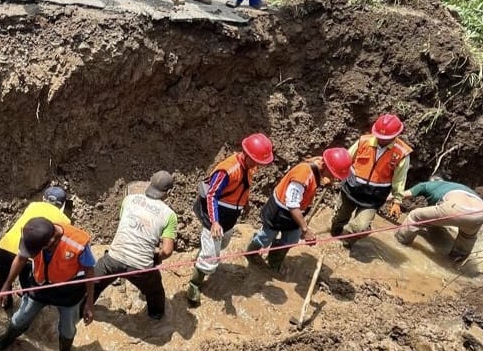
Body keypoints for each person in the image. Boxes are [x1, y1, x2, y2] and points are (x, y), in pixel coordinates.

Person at [0, 216, 96, 351]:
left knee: (68, 330)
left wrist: (89, 303)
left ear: (51, 242)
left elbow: (90, 271)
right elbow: (21, 258)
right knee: (20, 318)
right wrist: (6, 285)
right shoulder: (32, 236)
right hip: (40, 285)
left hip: (69, 290)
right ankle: (5, 340)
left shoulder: (77, 243)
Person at [186, 134, 275, 305]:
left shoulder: (249, 167)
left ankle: (202, 256)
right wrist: (214, 222)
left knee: (223, 245)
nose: (258, 165)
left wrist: (245, 202)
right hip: (215, 219)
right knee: (211, 259)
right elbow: (212, 195)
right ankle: (194, 285)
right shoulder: (228, 170)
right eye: (256, 161)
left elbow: (243, 186)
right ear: (247, 154)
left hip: (229, 218)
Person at [246, 148, 352, 271]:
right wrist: (305, 229)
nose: (335, 178)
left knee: (291, 239)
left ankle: (274, 262)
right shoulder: (303, 174)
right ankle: (251, 253)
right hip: (280, 211)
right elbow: (292, 204)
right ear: (326, 166)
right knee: (266, 236)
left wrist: (324, 180)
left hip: (295, 212)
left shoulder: (319, 167)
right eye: (333, 175)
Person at [92, 171, 177, 320]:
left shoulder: (129, 200)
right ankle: (156, 317)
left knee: (92, 284)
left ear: (150, 184)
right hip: (141, 267)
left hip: (113, 259)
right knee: (155, 292)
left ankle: (80, 310)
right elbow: (168, 251)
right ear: (168, 193)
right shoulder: (169, 215)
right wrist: (157, 258)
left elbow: (124, 225)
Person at [330, 113, 413, 243]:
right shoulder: (364, 141)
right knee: (339, 218)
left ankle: (345, 243)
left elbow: (399, 180)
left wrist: (397, 201)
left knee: (360, 227)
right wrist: (335, 172)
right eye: (379, 137)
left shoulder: (401, 153)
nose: (381, 140)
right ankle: (334, 236)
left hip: (373, 198)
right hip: (351, 189)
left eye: (386, 138)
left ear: (396, 135)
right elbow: (346, 159)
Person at [0, 185, 71, 309]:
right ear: (62, 205)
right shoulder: (65, 220)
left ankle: (5, 304)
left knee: (5, 277)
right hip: (27, 257)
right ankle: (26, 309)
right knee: (27, 283)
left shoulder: (33, 205)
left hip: (2, 250)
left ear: (44, 199)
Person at [395, 178, 483, 263]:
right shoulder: (455, 186)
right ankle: (454, 264)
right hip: (479, 214)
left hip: (455, 208)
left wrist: (383, 199)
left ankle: (400, 242)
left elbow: (401, 195)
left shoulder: (427, 185)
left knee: (415, 216)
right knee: (467, 237)